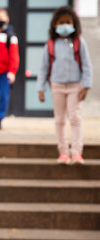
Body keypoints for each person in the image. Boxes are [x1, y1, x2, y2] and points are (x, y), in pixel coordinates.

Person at [37, 6, 92, 165]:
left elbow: (87, 65)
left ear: (74, 23)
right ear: (54, 25)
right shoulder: (50, 44)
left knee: (75, 118)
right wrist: (41, 88)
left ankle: (77, 153)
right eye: (61, 22)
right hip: (57, 86)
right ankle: (63, 153)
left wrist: (86, 86)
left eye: (68, 22)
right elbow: (43, 68)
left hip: (76, 86)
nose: (65, 25)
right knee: (59, 120)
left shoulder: (79, 42)